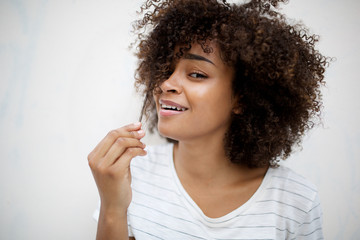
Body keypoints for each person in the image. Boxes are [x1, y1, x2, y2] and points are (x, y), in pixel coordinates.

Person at [88, 0, 329, 239]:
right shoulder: (131, 174)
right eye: (166, 70)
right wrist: (112, 207)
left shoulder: (296, 202)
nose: (166, 84)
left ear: (242, 99)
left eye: (196, 74)